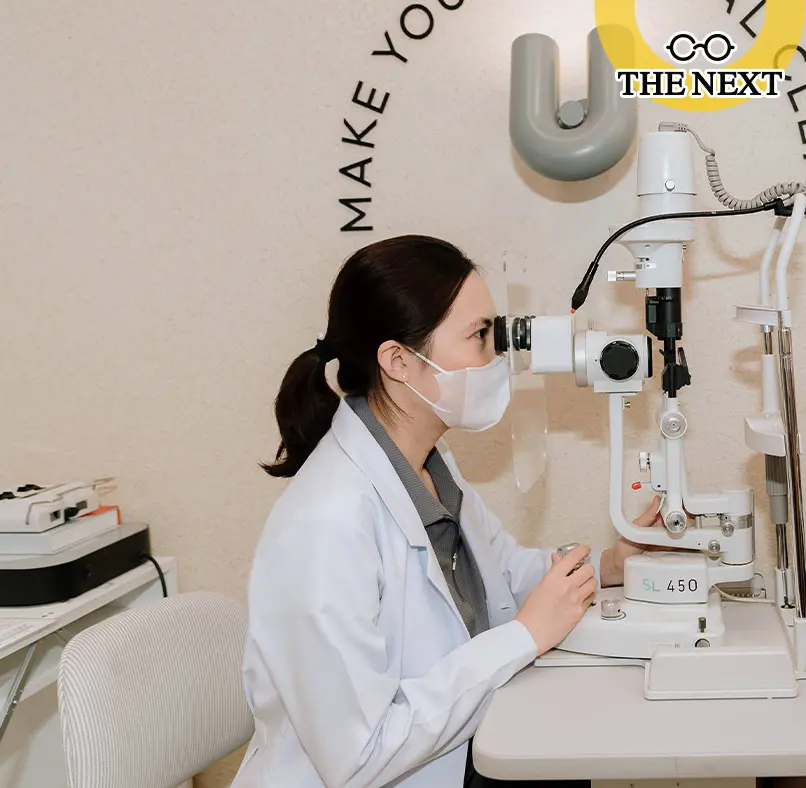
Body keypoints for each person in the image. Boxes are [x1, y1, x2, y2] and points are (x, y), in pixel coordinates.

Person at [232, 235, 662, 788]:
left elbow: (505, 575)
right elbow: (359, 754)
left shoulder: (430, 466)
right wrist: (524, 637)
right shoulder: (325, 526)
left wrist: (612, 564)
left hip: (467, 753)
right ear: (398, 362)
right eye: (480, 336)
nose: (496, 356)